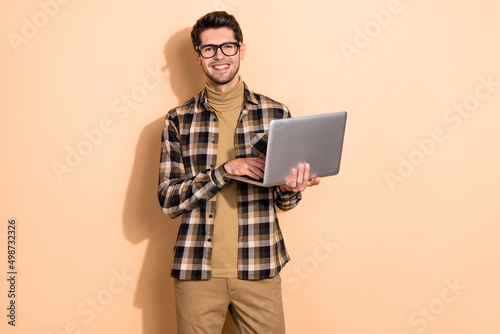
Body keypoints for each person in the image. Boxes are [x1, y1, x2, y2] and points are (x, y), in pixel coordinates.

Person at [157, 11, 320, 334]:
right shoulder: (178, 120)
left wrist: (291, 189)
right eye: (209, 49)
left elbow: (283, 202)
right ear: (198, 56)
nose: (219, 56)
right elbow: (168, 200)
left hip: (260, 266)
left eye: (227, 47)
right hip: (196, 271)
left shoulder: (276, 114)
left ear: (241, 50)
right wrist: (224, 171)